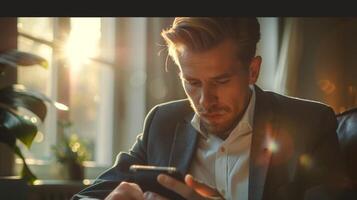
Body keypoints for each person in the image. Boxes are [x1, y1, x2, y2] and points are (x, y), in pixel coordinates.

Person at [72, 17, 346, 200]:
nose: (205, 100)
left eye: (221, 81)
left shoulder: (309, 124)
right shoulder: (162, 122)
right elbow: (85, 196)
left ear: (252, 70)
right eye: (192, 82)